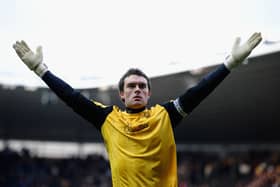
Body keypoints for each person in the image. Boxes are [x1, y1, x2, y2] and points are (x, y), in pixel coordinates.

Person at [13, 32, 262, 187]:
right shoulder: (107, 118)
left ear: (149, 93)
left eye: (142, 86)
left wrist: (229, 64)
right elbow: (72, 97)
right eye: (131, 86)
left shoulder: (164, 116)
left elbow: (198, 92)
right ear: (121, 94)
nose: (137, 90)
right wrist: (41, 70)